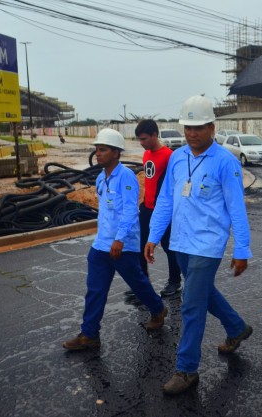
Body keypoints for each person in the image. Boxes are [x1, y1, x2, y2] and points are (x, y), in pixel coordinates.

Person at [145, 95, 253, 395]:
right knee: (203, 292)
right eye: (187, 127)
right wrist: (154, 236)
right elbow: (166, 199)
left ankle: (187, 369)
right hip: (179, 242)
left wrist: (242, 249)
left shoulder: (226, 162)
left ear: (212, 128)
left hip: (208, 244)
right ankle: (236, 328)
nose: (192, 133)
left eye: (199, 128)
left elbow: (236, 208)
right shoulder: (178, 157)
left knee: (191, 305)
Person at [63, 128, 167, 351]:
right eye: (97, 150)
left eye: (102, 150)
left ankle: (158, 308)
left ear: (116, 153)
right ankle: (89, 334)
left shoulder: (126, 177)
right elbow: (107, 213)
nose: (97, 154)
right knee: (95, 290)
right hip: (101, 245)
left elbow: (130, 211)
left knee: (138, 283)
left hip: (124, 245)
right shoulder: (101, 178)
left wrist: (119, 239)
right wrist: (105, 238)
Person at [136, 119, 183, 297]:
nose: (142, 143)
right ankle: (142, 283)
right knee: (141, 246)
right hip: (147, 208)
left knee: (168, 246)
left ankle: (175, 281)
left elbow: (172, 185)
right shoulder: (146, 154)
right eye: (139, 140)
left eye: (144, 139)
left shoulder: (169, 155)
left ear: (155, 135)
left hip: (163, 210)